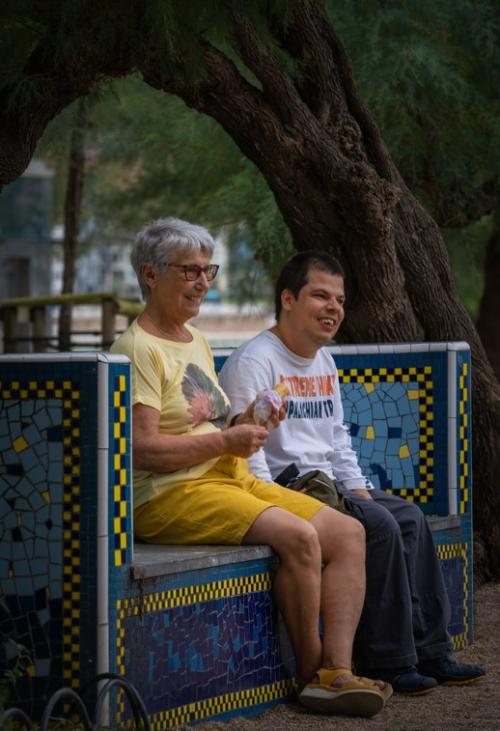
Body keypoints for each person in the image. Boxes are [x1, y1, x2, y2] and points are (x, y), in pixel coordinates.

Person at [110, 218, 392, 717]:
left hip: (224, 477)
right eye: (190, 271)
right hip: (170, 494)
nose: (202, 281)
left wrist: (250, 420)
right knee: (300, 537)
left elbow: (212, 424)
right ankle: (312, 676)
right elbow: (142, 450)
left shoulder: (193, 339)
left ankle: (338, 670)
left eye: (207, 270)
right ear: (150, 275)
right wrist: (227, 439)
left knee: (348, 533)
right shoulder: (137, 349)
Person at [219, 250, 486, 695]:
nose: (333, 308)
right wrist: (273, 502)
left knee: (409, 518)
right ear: (288, 299)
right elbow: (248, 450)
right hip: (289, 487)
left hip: (330, 484)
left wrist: (359, 489)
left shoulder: (323, 360)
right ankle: (388, 661)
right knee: (380, 527)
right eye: (320, 296)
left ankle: (431, 651)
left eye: (339, 300)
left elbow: (338, 437)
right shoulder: (255, 361)